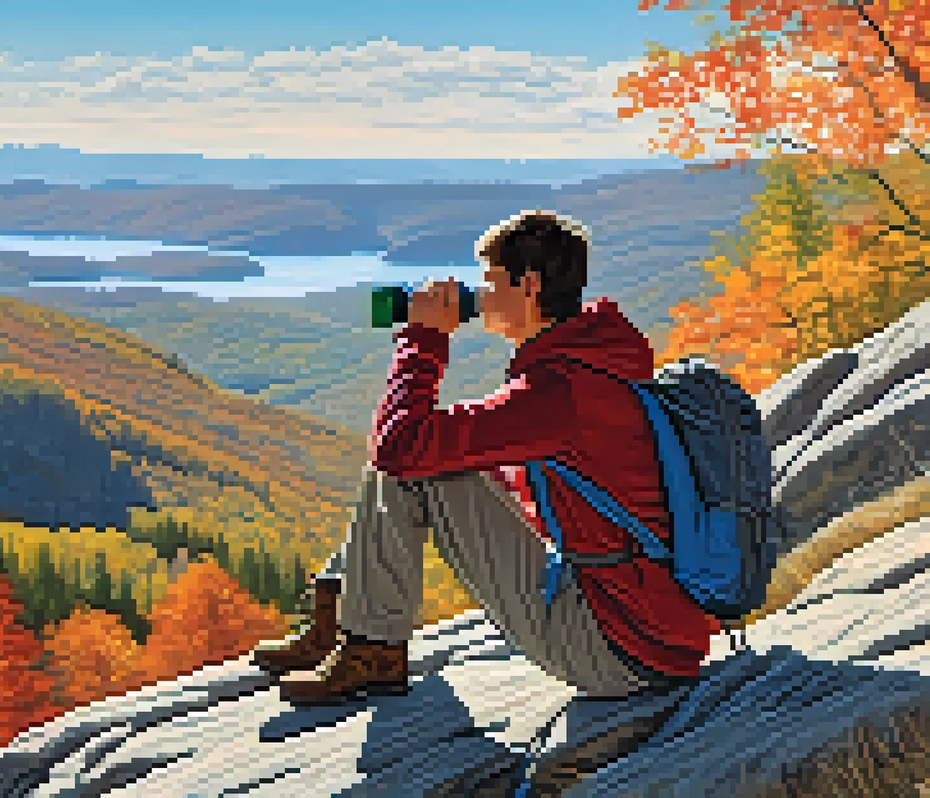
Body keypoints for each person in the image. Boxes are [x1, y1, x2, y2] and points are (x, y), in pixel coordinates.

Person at [251, 210, 718, 796]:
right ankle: (344, 621)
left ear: (529, 286)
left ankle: (370, 647)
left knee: (413, 459)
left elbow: (400, 448)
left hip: (617, 650)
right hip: (644, 625)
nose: (477, 295)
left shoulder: (559, 391)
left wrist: (424, 339)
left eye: (490, 282)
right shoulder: (590, 367)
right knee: (430, 459)